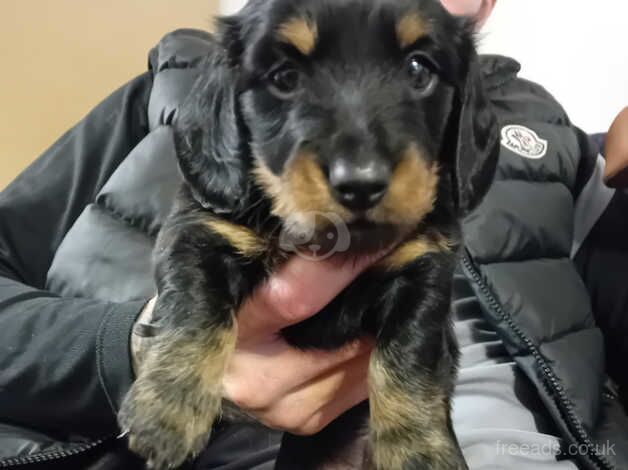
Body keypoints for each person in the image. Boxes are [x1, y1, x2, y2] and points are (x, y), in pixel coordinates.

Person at [0, 1, 626, 469]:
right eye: (285, 76)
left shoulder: (555, 136)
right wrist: (132, 348)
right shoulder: (174, 86)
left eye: (416, 68)